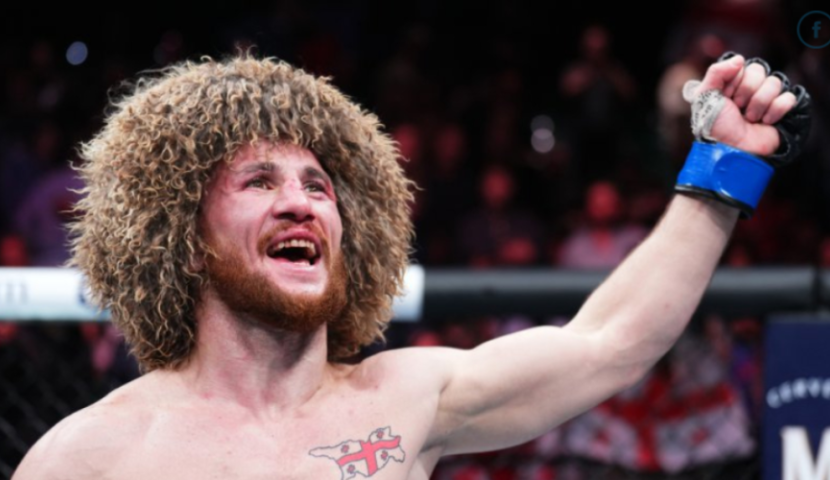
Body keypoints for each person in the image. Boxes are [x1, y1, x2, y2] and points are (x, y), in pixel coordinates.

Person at [13, 52, 809, 479]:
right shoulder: (92, 458)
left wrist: (725, 169)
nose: (301, 204)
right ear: (182, 237)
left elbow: (611, 341)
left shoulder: (408, 399)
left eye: (318, 186)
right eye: (259, 182)